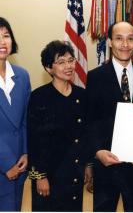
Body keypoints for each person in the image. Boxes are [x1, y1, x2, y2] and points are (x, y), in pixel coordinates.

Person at [86, 21, 133, 212]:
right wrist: (98, 152)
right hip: (106, 162)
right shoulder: (95, 76)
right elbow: (90, 119)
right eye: (119, 39)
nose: (125, 44)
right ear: (109, 42)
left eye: (130, 39)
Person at [28, 40, 88, 211]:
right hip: (49, 174)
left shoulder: (81, 95)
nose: (68, 66)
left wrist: (88, 165)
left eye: (70, 60)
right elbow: (34, 140)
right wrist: (39, 176)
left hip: (74, 172)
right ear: (49, 68)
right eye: (61, 62)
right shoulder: (39, 97)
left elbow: (84, 135)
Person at [0, 17, 31, 211]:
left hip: (20, 164)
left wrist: (26, 151)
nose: (3, 42)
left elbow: (27, 119)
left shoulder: (22, 75)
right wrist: (6, 164)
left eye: (6, 36)